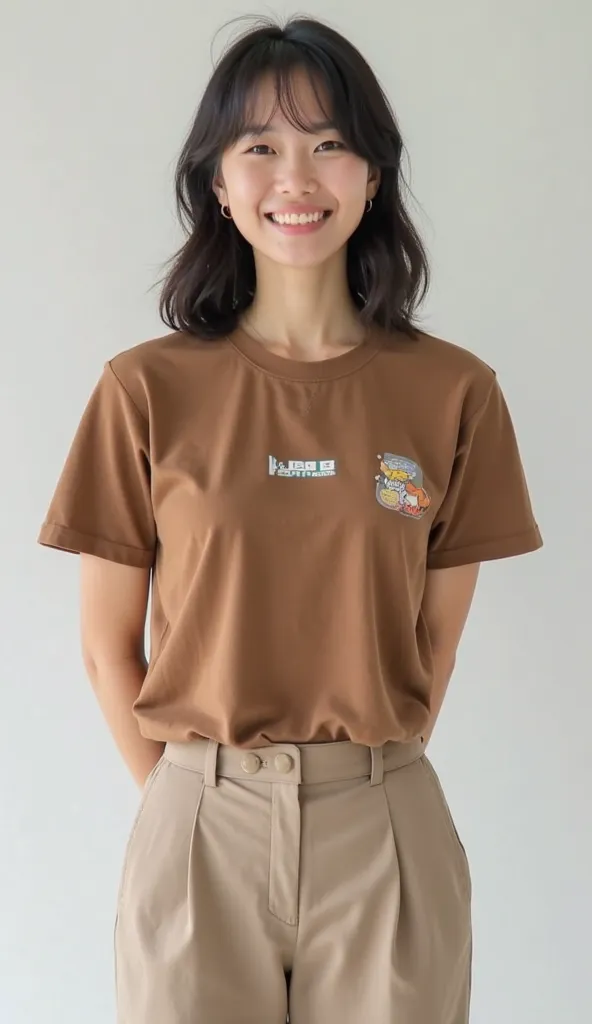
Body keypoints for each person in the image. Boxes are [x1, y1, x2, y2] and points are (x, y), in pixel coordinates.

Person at [37, 14, 543, 1024]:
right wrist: (197, 804)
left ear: (371, 174)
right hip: (195, 822)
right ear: (217, 184)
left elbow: (434, 642)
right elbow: (106, 648)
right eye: (258, 147)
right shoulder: (145, 390)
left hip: (386, 822)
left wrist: (356, 786)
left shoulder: (452, 393)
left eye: (327, 144)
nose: (294, 178)